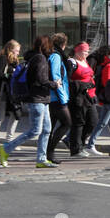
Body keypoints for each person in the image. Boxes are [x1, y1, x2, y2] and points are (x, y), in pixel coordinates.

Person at [0, 36, 58, 169]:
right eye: (50, 45)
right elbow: (41, 80)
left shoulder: (33, 57)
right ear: (45, 46)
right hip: (37, 99)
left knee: (47, 129)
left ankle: (41, 159)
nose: (52, 48)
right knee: (35, 130)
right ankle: (6, 149)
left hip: (42, 99)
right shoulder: (40, 59)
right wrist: (55, 84)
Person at [67, 42, 100, 157]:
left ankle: (76, 142)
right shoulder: (72, 62)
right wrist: (82, 85)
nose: (86, 53)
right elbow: (67, 81)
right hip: (78, 97)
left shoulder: (85, 62)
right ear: (77, 51)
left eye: (87, 51)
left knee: (93, 121)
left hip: (90, 96)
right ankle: (76, 149)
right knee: (78, 123)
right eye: (84, 51)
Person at [0, 41, 21, 151]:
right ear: (10, 49)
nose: (18, 53)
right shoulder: (3, 58)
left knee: (15, 115)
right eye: (16, 51)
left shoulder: (15, 61)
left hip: (11, 93)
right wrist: (10, 76)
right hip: (1, 92)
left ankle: (9, 141)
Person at [45, 33, 71, 165]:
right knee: (67, 123)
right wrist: (63, 98)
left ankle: (47, 153)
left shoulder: (52, 54)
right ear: (63, 44)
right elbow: (56, 76)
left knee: (51, 127)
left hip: (52, 96)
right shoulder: (56, 56)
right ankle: (50, 151)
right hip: (56, 97)